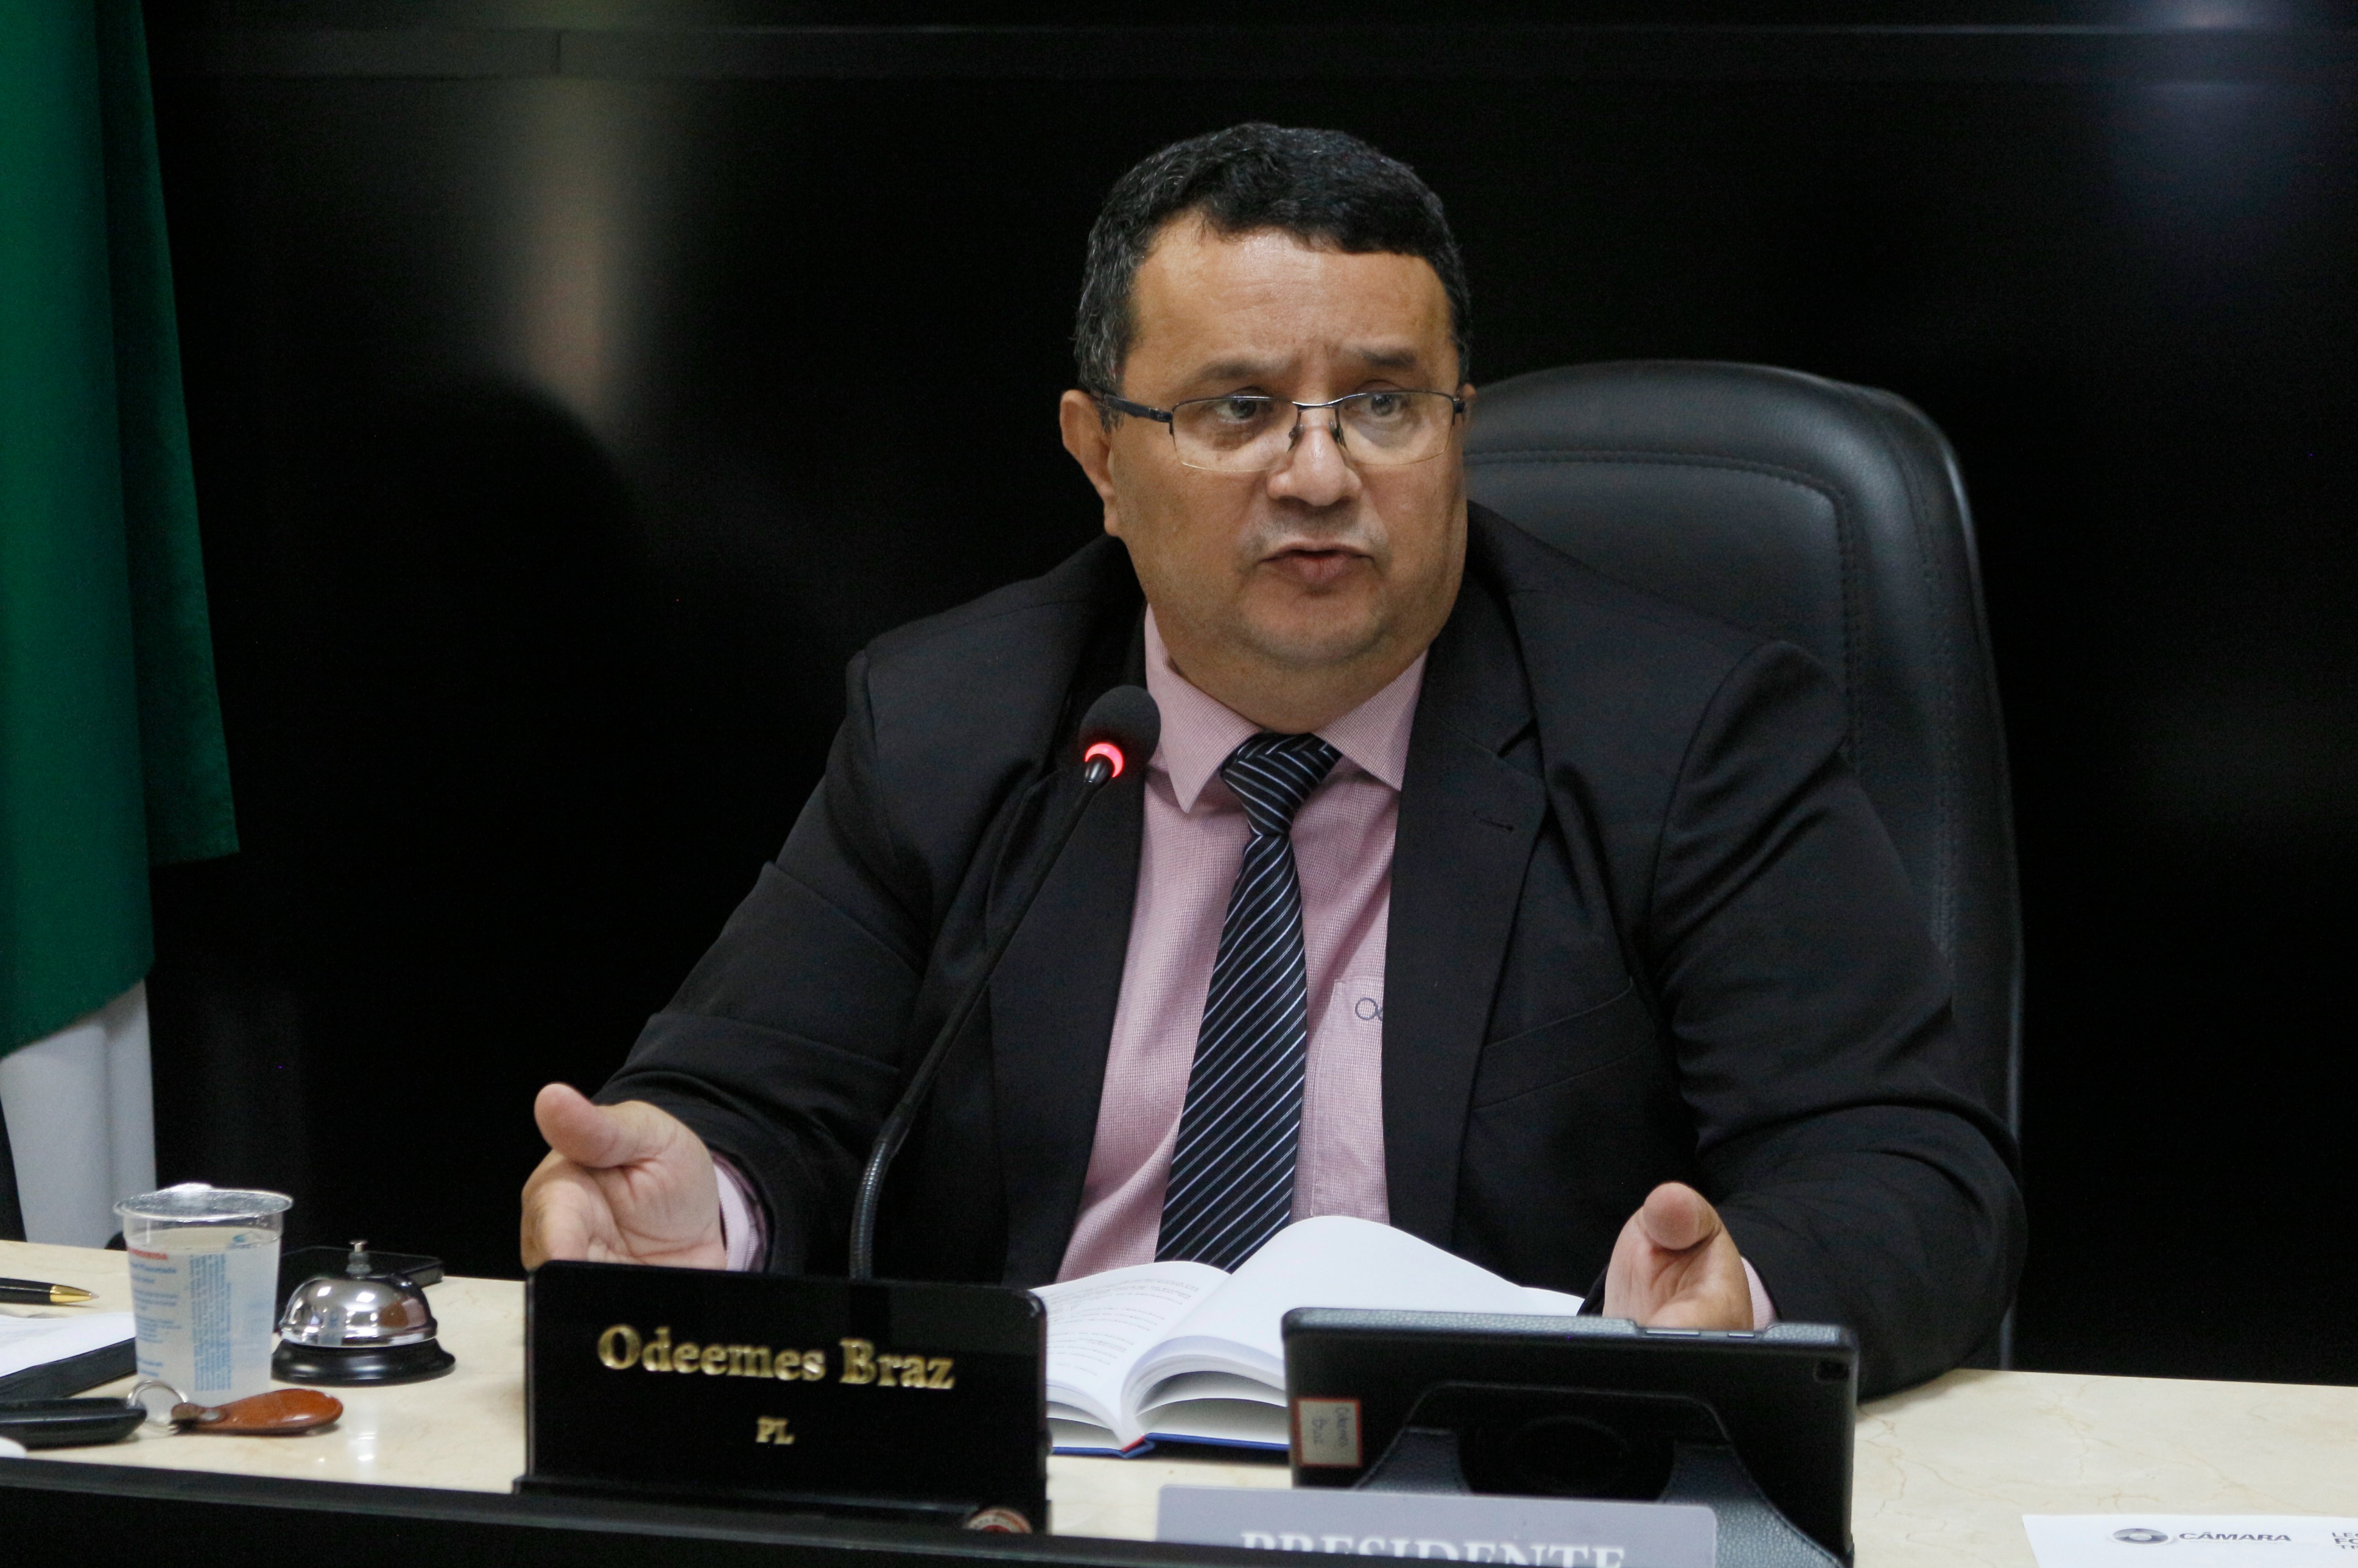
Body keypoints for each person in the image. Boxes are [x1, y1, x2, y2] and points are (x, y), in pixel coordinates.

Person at [519, 124, 2022, 1396]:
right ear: (1100, 455)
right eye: (1238, 410)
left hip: (1482, 1497)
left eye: (1383, 405)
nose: (1317, 474)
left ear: (1457, 430)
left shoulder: (1684, 734)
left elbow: (1906, 1170)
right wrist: (699, 1204)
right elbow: (761, 1095)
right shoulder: (949, 721)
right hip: (1047, 1492)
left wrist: (1738, 1296)